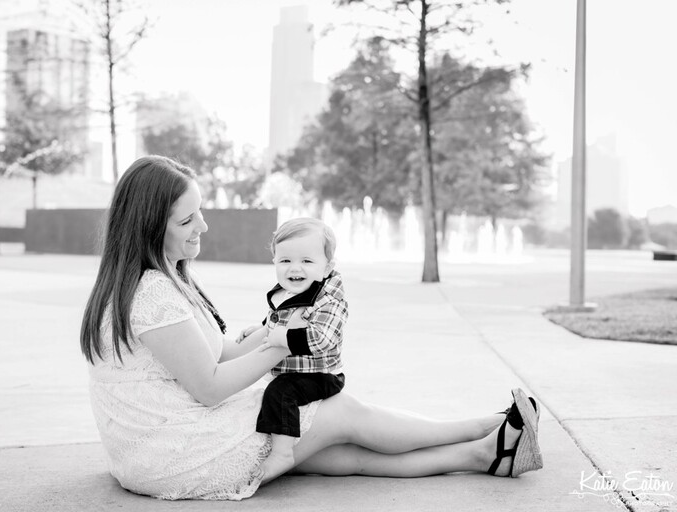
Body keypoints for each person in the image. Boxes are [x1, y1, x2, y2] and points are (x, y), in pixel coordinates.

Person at [80, 155, 543, 502]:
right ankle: (488, 426)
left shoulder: (167, 277)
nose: (204, 224)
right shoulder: (152, 293)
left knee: (333, 449)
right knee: (338, 412)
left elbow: (217, 353)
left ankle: (485, 453)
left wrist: (268, 330)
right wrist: (284, 342)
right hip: (170, 452)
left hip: (170, 436)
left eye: (200, 210)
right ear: (147, 226)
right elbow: (210, 386)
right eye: (187, 219)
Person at [241, 217, 348, 479]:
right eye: (285, 260)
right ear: (275, 262)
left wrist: (283, 338)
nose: (294, 268)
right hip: (295, 371)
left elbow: (322, 339)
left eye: (307, 261)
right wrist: (261, 329)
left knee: (280, 392)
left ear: (326, 267)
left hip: (321, 375)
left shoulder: (329, 300)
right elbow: (278, 318)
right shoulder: (287, 292)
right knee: (266, 390)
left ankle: (282, 453)